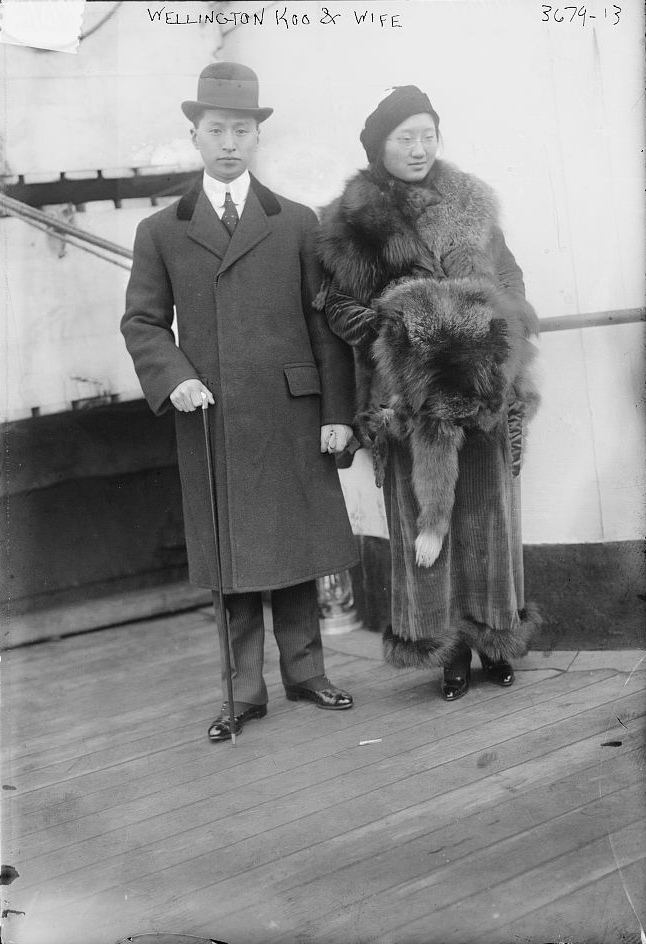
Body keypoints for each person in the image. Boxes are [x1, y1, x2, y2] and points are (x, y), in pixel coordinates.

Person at [121, 62, 358, 742]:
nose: (230, 141)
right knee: (232, 558)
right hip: (212, 414)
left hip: (290, 410)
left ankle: (308, 674)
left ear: (258, 138)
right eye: (216, 128)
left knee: (293, 546)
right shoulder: (162, 231)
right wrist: (176, 376)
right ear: (194, 135)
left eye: (242, 129)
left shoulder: (297, 224)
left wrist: (338, 413)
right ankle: (242, 691)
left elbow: (323, 327)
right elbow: (142, 323)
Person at [317, 85, 541, 701]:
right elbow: (333, 302)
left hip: (484, 385)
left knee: (486, 518)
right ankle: (447, 653)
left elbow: (511, 276)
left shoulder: (470, 203)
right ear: (377, 145)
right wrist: (372, 324)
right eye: (403, 137)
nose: (417, 148)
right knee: (424, 520)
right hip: (406, 400)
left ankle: (495, 637)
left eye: (426, 135)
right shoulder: (347, 223)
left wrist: (508, 320)